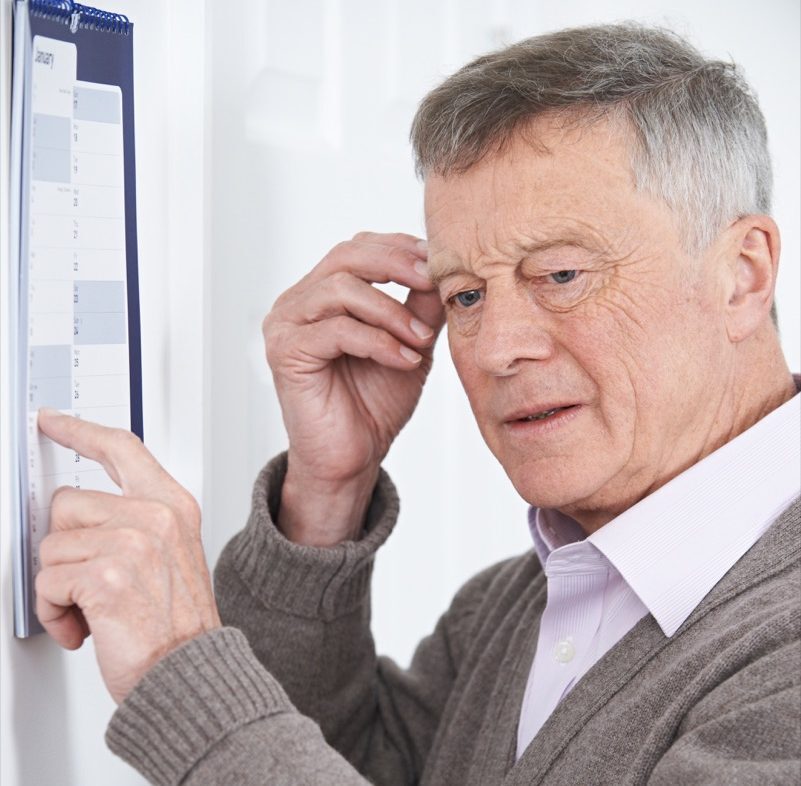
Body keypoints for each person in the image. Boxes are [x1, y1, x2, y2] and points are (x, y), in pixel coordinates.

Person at [35, 23, 799, 785]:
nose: (496, 347)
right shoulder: (515, 605)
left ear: (741, 273)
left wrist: (182, 673)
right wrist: (327, 491)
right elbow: (339, 764)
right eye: (465, 293)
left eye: (560, 275)